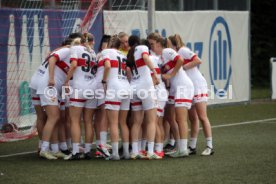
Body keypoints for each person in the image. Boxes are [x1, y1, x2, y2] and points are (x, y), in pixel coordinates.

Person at [29, 34, 81, 160]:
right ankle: (45, 149)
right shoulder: (68, 50)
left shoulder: (72, 54)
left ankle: (55, 148)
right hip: (48, 86)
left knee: (57, 117)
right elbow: (52, 59)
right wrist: (51, 78)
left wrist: (64, 93)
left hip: (54, 87)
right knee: (53, 117)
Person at [148, 33, 194, 157]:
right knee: (170, 117)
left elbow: (180, 60)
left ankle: (183, 149)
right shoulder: (160, 57)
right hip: (175, 88)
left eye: (153, 45)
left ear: (159, 44)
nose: (152, 47)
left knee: (181, 119)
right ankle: (180, 147)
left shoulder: (167, 51)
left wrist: (171, 75)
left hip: (183, 85)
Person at [168, 34, 214, 156]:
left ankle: (209, 145)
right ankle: (192, 146)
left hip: (198, 85)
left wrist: (183, 67)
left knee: (202, 116)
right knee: (193, 118)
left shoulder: (183, 50)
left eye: (169, 44)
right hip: (189, 87)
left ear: (174, 45)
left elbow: (198, 60)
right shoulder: (175, 55)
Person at [63, 33, 98, 160]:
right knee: (89, 121)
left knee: (75, 121)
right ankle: (88, 151)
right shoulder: (93, 53)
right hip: (92, 88)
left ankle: (76, 151)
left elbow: (73, 65)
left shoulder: (75, 49)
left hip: (79, 87)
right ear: (91, 41)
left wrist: (66, 81)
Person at [127, 35, 161, 159]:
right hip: (145, 86)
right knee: (151, 120)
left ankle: (135, 152)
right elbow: (146, 58)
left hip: (134, 87)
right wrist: (155, 71)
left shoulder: (130, 53)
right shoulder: (142, 48)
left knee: (136, 122)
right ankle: (150, 152)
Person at [101, 35, 131, 160]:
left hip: (114, 87)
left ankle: (115, 154)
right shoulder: (123, 55)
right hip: (126, 86)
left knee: (113, 123)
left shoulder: (107, 51)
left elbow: (107, 66)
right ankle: (126, 153)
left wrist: (104, 81)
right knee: (122, 123)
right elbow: (128, 71)